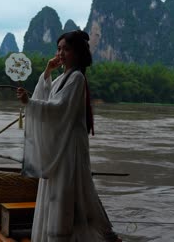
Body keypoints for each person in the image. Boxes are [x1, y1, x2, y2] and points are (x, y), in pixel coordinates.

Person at [17, 30, 120, 242]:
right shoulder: (62, 78)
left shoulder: (77, 78)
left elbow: (59, 109)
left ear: (78, 53)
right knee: (59, 192)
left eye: (66, 49)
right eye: (59, 49)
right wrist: (46, 73)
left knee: (67, 192)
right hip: (60, 145)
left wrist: (30, 104)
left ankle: (66, 235)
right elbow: (46, 98)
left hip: (69, 148)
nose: (61, 53)